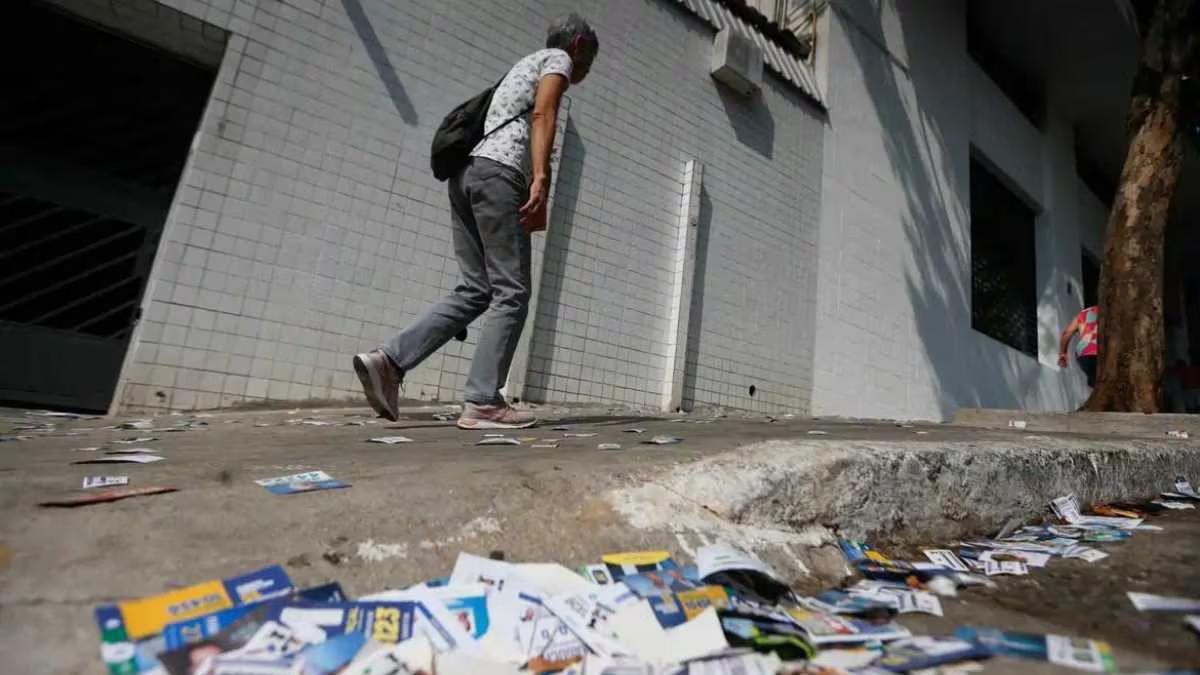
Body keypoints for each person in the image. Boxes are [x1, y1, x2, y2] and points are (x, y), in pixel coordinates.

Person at [353, 14, 599, 429]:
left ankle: (389, 361)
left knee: (476, 289)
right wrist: (541, 178)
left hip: (467, 176)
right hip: (500, 176)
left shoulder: (519, 70)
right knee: (512, 291)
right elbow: (544, 116)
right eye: (589, 58)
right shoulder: (556, 59)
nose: (587, 69)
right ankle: (484, 400)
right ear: (577, 44)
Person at [1057, 305, 1099, 387]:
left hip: (1083, 353)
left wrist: (1063, 354)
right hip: (1098, 351)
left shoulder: (1083, 313)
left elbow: (1066, 334)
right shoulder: (1115, 314)